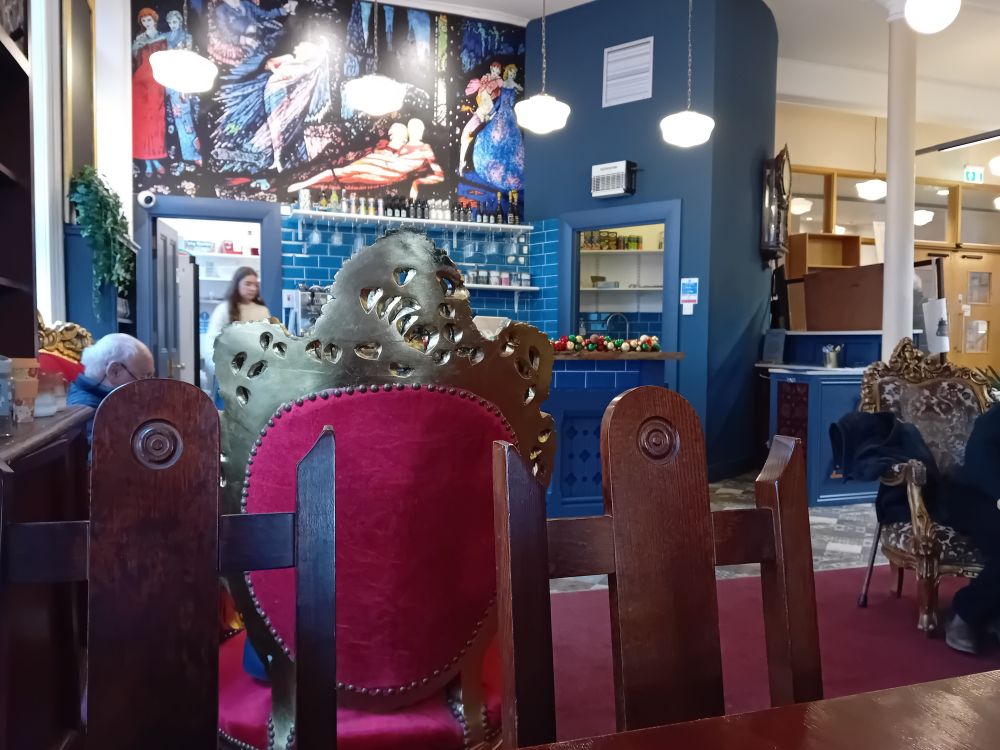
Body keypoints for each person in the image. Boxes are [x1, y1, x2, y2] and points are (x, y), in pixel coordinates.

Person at [67, 333, 155, 443]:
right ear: (115, 371)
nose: (149, 386)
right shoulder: (88, 413)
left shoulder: (109, 401)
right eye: (143, 377)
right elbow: (104, 458)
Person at [206, 267, 271, 387]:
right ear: (237, 285)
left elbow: (269, 342)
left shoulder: (262, 311)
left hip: (256, 377)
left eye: (255, 285)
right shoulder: (224, 309)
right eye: (248, 284)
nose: (252, 288)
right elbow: (212, 343)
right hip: (229, 376)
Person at [164, 10, 203, 173]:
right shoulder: (165, 37)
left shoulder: (187, 37)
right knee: (173, 119)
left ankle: (194, 154)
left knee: (186, 119)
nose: (173, 25)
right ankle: (179, 154)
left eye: (175, 22)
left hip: (182, 79)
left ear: (180, 21)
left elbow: (187, 58)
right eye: (170, 22)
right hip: (167, 80)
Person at [132, 8, 168, 177]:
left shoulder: (163, 37)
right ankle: (148, 163)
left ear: (154, 20)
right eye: (144, 21)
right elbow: (134, 59)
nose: (147, 23)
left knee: (156, 121)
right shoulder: (139, 39)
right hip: (140, 83)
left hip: (157, 81)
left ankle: (155, 158)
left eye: (149, 20)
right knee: (142, 122)